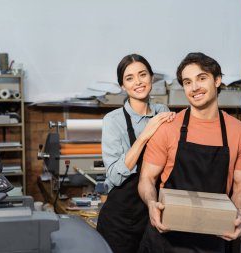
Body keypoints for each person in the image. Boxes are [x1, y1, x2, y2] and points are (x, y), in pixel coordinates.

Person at [138, 52, 241, 253]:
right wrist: (151, 204)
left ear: (217, 80)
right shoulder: (167, 129)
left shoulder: (239, 133)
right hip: (167, 237)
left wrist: (239, 215)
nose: (194, 88)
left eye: (202, 78)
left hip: (216, 237)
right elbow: (146, 179)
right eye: (187, 82)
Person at [96, 54, 175, 253]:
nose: (138, 82)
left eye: (142, 75)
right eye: (130, 78)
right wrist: (144, 136)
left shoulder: (162, 111)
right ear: (122, 85)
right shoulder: (113, 120)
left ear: (151, 78)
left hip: (153, 213)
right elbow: (114, 175)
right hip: (120, 222)